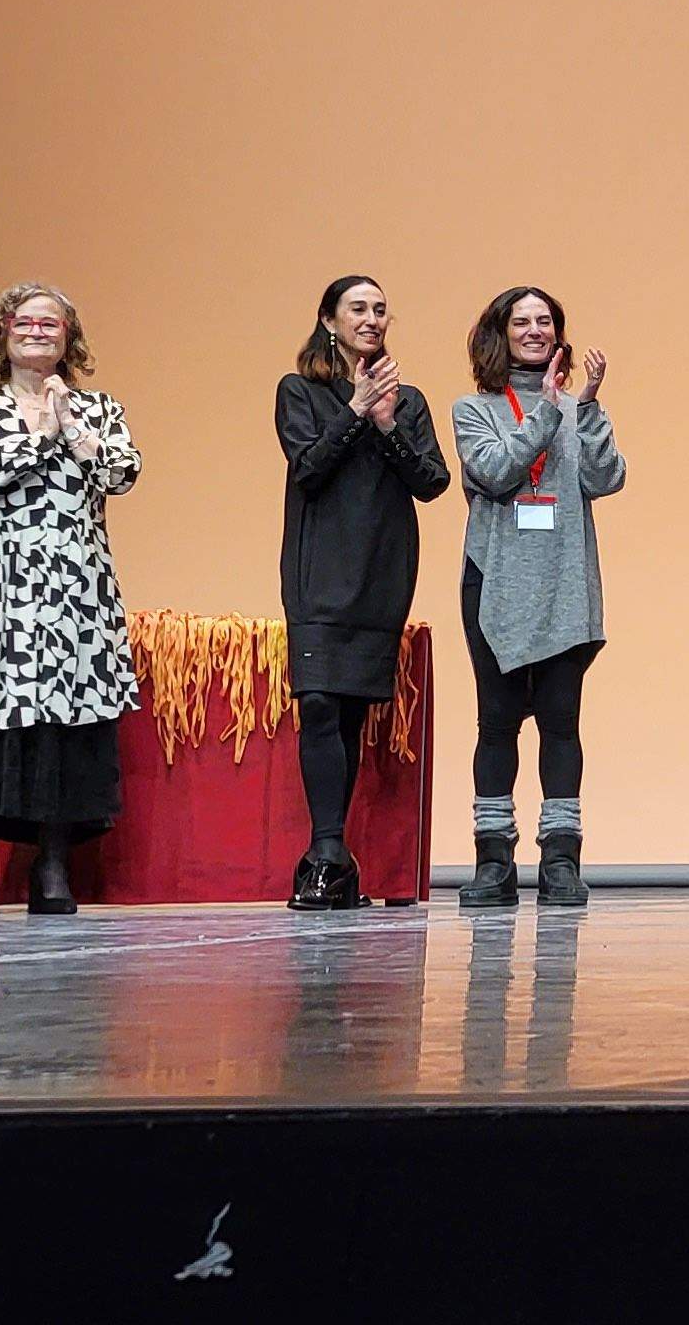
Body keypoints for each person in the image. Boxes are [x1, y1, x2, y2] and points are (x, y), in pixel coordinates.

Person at [0, 284, 140, 917]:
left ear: (70, 339)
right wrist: (38, 436)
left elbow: (122, 473)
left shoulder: (100, 409)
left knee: (67, 731)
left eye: (52, 324)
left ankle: (54, 867)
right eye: (25, 321)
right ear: (2, 332)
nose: (37, 331)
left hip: (75, 594)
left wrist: (72, 428)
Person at [448, 286, 626, 907]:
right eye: (520, 321)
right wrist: (550, 414)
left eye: (544, 321)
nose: (533, 330)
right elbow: (494, 472)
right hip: (496, 583)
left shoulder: (578, 411)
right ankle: (493, 860)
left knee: (561, 722)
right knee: (496, 723)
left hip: (564, 585)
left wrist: (591, 408)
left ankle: (560, 859)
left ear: (558, 334)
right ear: (500, 333)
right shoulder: (474, 408)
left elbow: (608, 479)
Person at [275, 275, 446, 911]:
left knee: (349, 709)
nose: (371, 319)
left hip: (381, 571)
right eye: (358, 309)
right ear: (329, 320)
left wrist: (386, 423)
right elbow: (308, 469)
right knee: (317, 700)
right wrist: (353, 413)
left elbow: (431, 482)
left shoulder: (410, 399)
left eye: (380, 310)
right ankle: (324, 851)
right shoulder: (301, 392)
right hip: (319, 573)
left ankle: (336, 861)